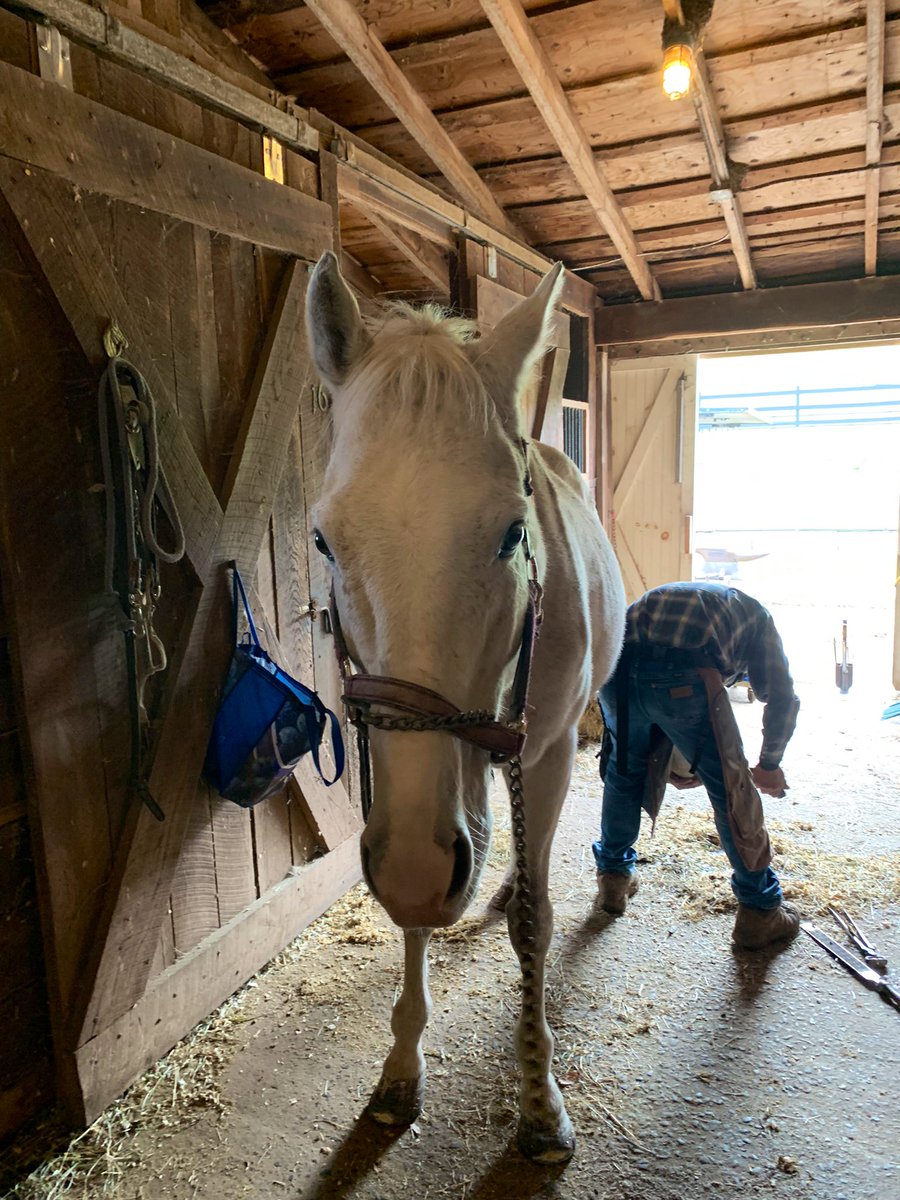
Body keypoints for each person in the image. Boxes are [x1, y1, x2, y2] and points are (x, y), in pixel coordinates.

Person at [592, 581, 801, 950]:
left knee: (622, 774)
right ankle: (760, 909)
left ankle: (613, 878)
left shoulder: (674, 595)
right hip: (682, 678)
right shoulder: (757, 617)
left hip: (615, 671)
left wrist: (668, 754)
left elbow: (644, 682)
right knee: (731, 789)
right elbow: (782, 695)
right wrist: (769, 764)